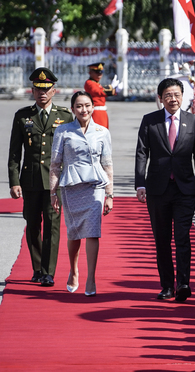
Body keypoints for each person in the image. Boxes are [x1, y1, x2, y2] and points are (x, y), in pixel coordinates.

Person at [135, 78, 195, 302]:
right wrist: (140, 183)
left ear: (182, 96)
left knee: (183, 237)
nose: (173, 99)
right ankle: (167, 285)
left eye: (176, 94)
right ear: (160, 98)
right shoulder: (150, 121)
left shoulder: (193, 121)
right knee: (162, 239)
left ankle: (183, 283)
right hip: (158, 189)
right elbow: (142, 153)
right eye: (168, 95)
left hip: (185, 188)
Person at [8, 67, 74, 286]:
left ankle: (48, 272)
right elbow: (15, 153)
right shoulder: (22, 116)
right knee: (33, 224)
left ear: (54, 91)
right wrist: (14, 181)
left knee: (53, 226)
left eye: (46, 89)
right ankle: (37, 267)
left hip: (56, 181)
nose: (42, 93)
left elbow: (70, 151)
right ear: (32, 90)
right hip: (31, 180)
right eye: (38, 89)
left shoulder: (64, 116)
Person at [49, 91, 113, 296]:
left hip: (95, 186)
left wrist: (110, 194)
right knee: (74, 232)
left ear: (93, 107)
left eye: (87, 105)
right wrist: (53, 192)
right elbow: (55, 164)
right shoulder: (63, 131)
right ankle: (73, 270)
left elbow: (108, 165)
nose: (83, 110)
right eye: (79, 106)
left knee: (93, 232)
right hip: (71, 187)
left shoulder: (102, 132)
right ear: (72, 109)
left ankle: (91, 277)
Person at [84, 62, 115, 129]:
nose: (99, 74)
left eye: (101, 72)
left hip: (102, 112)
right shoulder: (89, 83)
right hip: (96, 112)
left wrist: (115, 89)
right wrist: (112, 88)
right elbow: (98, 92)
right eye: (97, 72)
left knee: (104, 132)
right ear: (90, 72)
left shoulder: (96, 83)